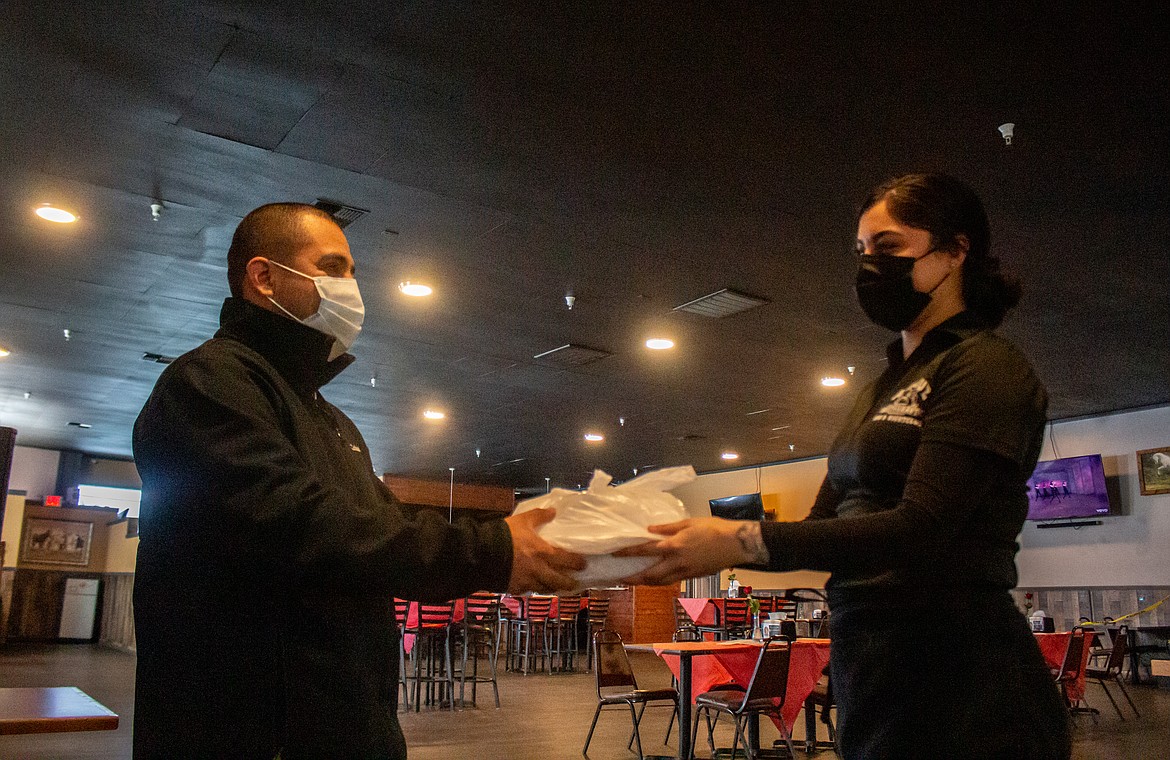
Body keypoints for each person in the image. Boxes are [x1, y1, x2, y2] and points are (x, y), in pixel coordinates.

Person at [622, 174, 1071, 759]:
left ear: (957, 250)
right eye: (861, 253)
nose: (869, 267)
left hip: (963, 677)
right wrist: (685, 543)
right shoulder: (883, 386)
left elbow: (921, 529)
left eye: (888, 248)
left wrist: (740, 540)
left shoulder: (985, 368)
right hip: (873, 671)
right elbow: (821, 529)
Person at [132, 203, 584, 759]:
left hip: (346, 731)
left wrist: (507, 544)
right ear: (264, 276)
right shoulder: (206, 385)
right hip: (248, 733)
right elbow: (308, 527)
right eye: (333, 267)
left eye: (353, 272)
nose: (351, 286)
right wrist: (494, 548)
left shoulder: (330, 421)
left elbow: (385, 528)